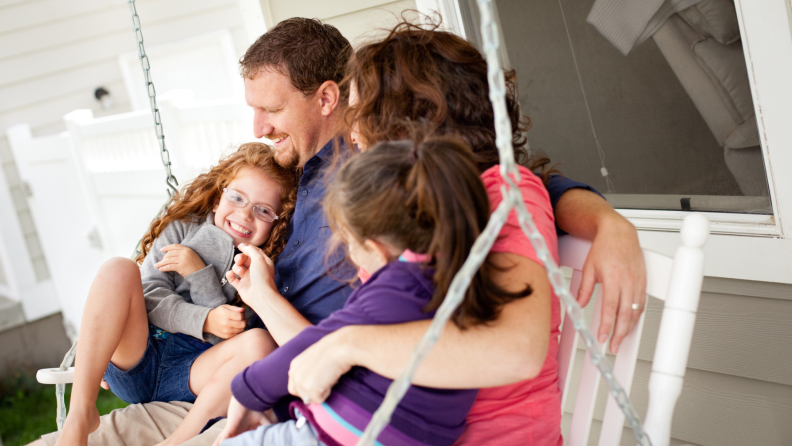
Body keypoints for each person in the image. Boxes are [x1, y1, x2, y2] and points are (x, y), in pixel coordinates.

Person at [32, 17, 644, 446]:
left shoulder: (420, 185)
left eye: (365, 109)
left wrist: (606, 221)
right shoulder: (322, 175)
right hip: (285, 389)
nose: (356, 125)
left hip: (320, 399)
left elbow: (517, 182)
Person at [285, 22, 639, 445]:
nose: (352, 132)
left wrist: (348, 346)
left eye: (359, 114)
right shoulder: (413, 205)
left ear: (406, 119)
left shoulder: (501, 193)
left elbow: (516, 352)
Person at [214, 136, 552, 446]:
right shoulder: (464, 279)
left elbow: (311, 345)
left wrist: (247, 392)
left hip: (339, 434)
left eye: (347, 242)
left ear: (376, 249)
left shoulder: (393, 289)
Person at [52, 143, 298, 446]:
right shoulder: (183, 229)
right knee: (119, 269)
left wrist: (200, 277)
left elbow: (230, 340)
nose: (245, 214)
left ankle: (177, 439)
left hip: (195, 374)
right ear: (218, 198)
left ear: (277, 222)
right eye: (237, 197)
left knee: (259, 343)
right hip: (140, 355)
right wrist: (204, 318)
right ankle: (80, 413)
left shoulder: (260, 265)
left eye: (263, 210)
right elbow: (151, 296)